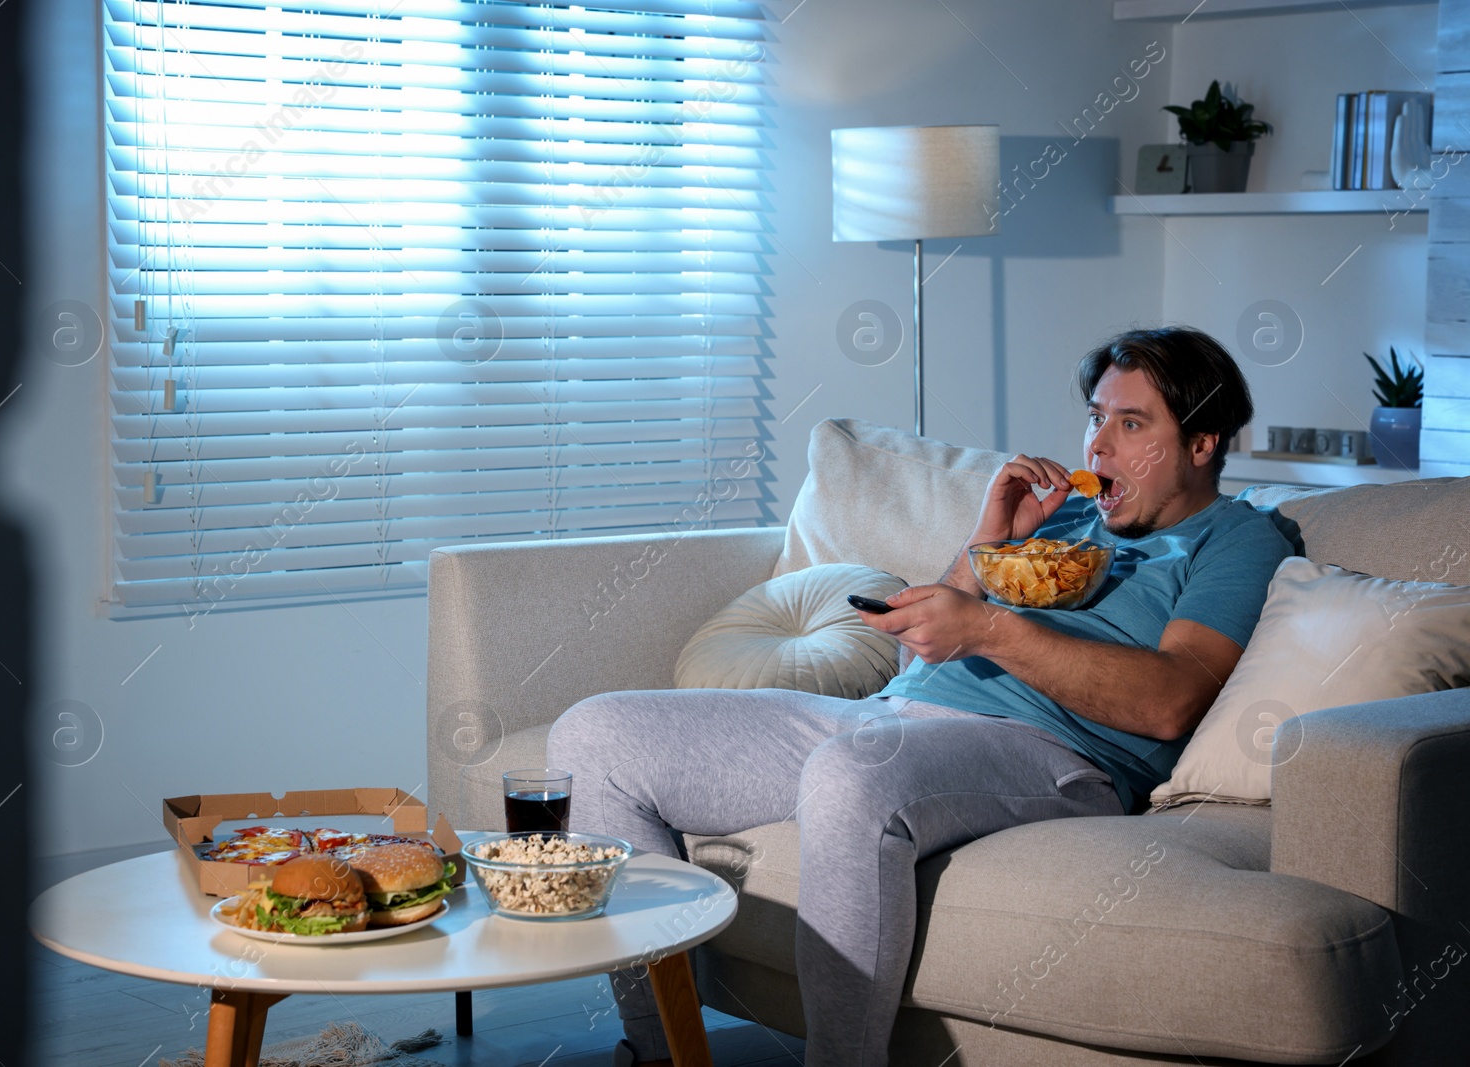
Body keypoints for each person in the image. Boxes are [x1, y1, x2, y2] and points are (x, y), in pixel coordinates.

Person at [547, 326, 1294, 1067]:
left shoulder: (1237, 538)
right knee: (595, 736)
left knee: (850, 774)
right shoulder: (1069, 514)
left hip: (1054, 757)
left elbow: (1171, 700)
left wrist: (990, 628)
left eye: (1132, 425)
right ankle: (660, 1052)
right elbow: (916, 650)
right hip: (891, 716)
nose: (1098, 448)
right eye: (1097, 418)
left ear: (1203, 443)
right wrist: (986, 544)